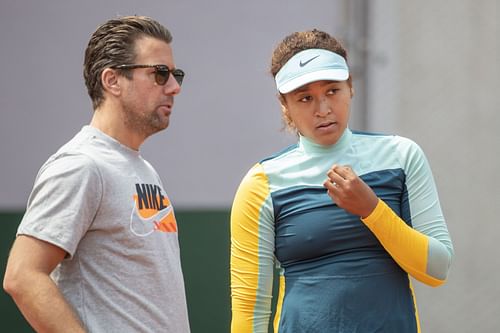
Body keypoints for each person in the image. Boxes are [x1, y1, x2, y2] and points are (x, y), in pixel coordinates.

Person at [230, 29, 454, 332]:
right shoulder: (262, 183)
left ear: (351, 87)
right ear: (285, 105)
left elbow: (437, 269)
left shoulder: (402, 156)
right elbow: (250, 308)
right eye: (305, 98)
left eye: (332, 91)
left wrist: (372, 210)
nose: (323, 110)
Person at [3, 16, 190, 333]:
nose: (174, 88)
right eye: (160, 74)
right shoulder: (80, 165)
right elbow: (22, 275)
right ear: (112, 80)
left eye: (176, 75)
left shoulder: (143, 168)